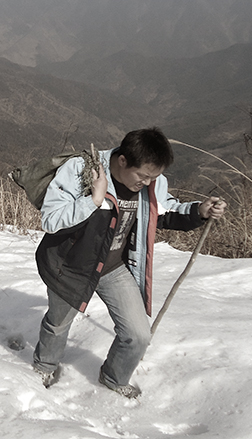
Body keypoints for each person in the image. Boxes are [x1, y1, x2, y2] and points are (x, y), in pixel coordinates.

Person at [33, 128, 225, 396]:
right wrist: (94, 199)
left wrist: (198, 211)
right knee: (58, 323)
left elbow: (164, 211)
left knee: (138, 335)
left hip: (113, 266)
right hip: (70, 266)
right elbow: (51, 220)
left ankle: (114, 377)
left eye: (153, 177)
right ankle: (45, 365)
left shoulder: (152, 182)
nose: (147, 183)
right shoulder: (81, 170)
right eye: (143, 176)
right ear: (122, 160)